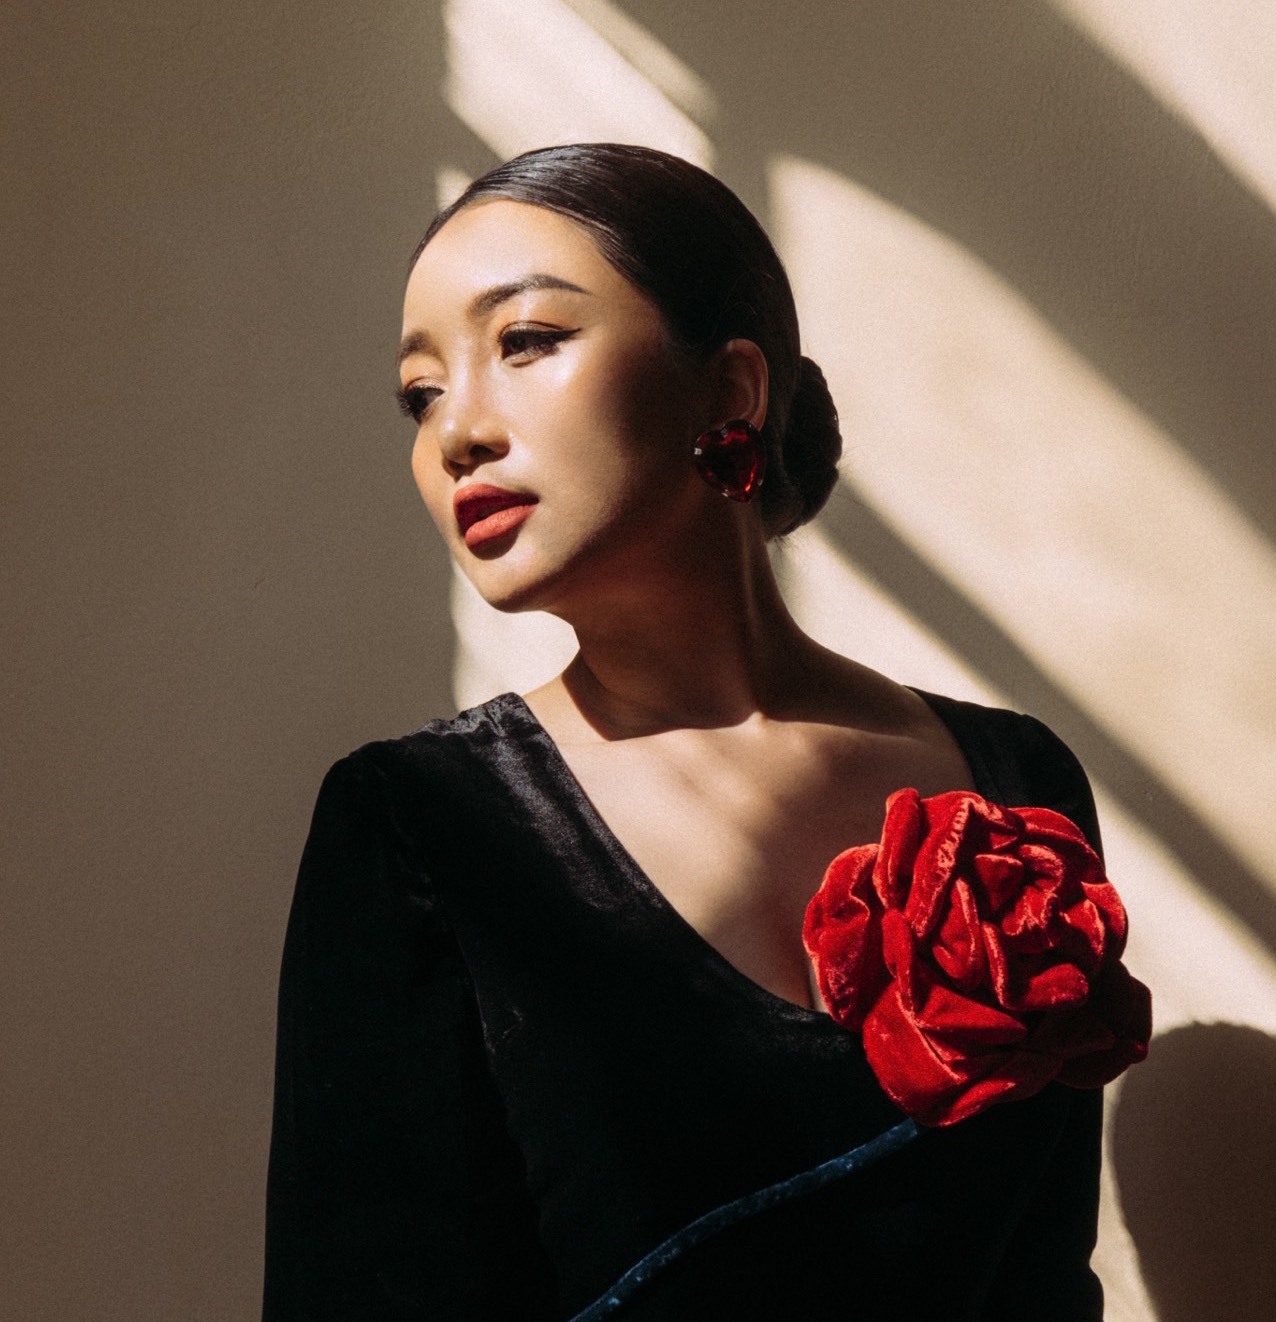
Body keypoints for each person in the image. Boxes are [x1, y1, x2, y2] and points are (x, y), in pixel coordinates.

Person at [263, 143, 1112, 1320]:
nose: (457, 431)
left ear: (732, 390)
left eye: (525, 341)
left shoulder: (1016, 784)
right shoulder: (417, 824)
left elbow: (1047, 1280)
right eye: (421, 393)